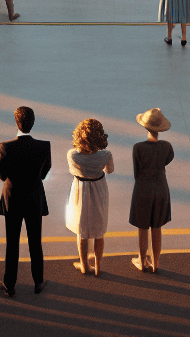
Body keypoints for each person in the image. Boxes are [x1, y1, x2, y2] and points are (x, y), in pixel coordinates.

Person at [0, 106, 51, 298]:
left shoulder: (6, 147)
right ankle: (38, 281)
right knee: (35, 242)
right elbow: (44, 173)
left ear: (16, 123)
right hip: (34, 197)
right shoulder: (44, 146)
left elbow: (2, 175)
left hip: (13, 198)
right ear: (33, 122)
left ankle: (9, 284)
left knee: (12, 243)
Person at [65, 117, 114, 276]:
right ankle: (98, 266)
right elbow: (110, 170)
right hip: (99, 188)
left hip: (81, 189)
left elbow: (72, 171)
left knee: (82, 230)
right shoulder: (105, 154)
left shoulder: (72, 155)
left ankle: (84, 264)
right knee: (99, 230)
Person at [129, 108, 175, 274]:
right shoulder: (166, 147)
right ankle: (156, 263)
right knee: (157, 227)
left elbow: (137, 173)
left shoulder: (138, 148)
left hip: (143, 189)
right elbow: (168, 160)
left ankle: (142, 261)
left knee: (142, 228)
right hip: (161, 188)